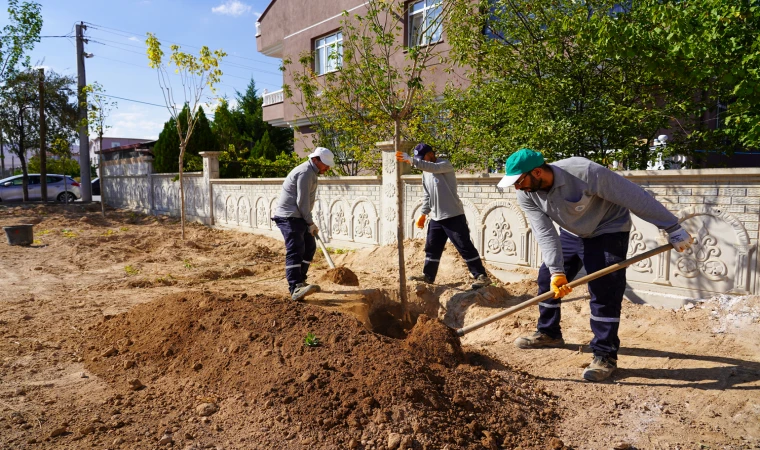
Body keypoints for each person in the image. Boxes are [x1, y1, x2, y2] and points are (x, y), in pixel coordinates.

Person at [498, 148, 694, 382]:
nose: (517, 188)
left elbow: (634, 196)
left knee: (604, 291)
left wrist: (672, 227)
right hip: (572, 233)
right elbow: (544, 232)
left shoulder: (584, 171)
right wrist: (557, 271)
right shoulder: (527, 194)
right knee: (546, 280)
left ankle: (605, 356)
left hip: (608, 229)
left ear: (538, 172)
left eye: (519, 181)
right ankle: (549, 332)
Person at [396, 143, 492, 290]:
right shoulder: (425, 172)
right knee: (432, 247)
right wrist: (423, 213)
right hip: (436, 217)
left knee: (464, 246)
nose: (423, 161)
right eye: (420, 159)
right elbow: (427, 194)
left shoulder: (444, 164)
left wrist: (411, 160)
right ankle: (428, 275)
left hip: (453, 215)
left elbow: (432, 168)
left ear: (430, 154)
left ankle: (481, 276)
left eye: (423, 158)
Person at [272, 147, 335, 301]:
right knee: (296, 249)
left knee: (309, 246)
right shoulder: (305, 172)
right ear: (315, 159)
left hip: (298, 216)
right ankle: (295, 287)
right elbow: (302, 202)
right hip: (289, 217)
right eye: (325, 164)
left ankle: (301, 280)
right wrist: (310, 222)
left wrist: (308, 222)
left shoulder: (312, 173)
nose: (327, 167)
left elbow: (305, 202)